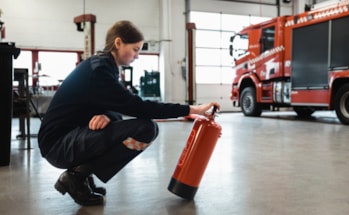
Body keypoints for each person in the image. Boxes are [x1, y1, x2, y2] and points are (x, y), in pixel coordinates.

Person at [37, 20, 220, 206]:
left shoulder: (103, 66)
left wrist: (107, 115)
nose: (138, 56)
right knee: (146, 129)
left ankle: (82, 174)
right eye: (135, 49)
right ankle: (76, 176)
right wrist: (190, 109)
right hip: (57, 146)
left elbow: (117, 107)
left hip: (68, 137)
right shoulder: (100, 70)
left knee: (141, 127)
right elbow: (137, 107)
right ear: (118, 43)